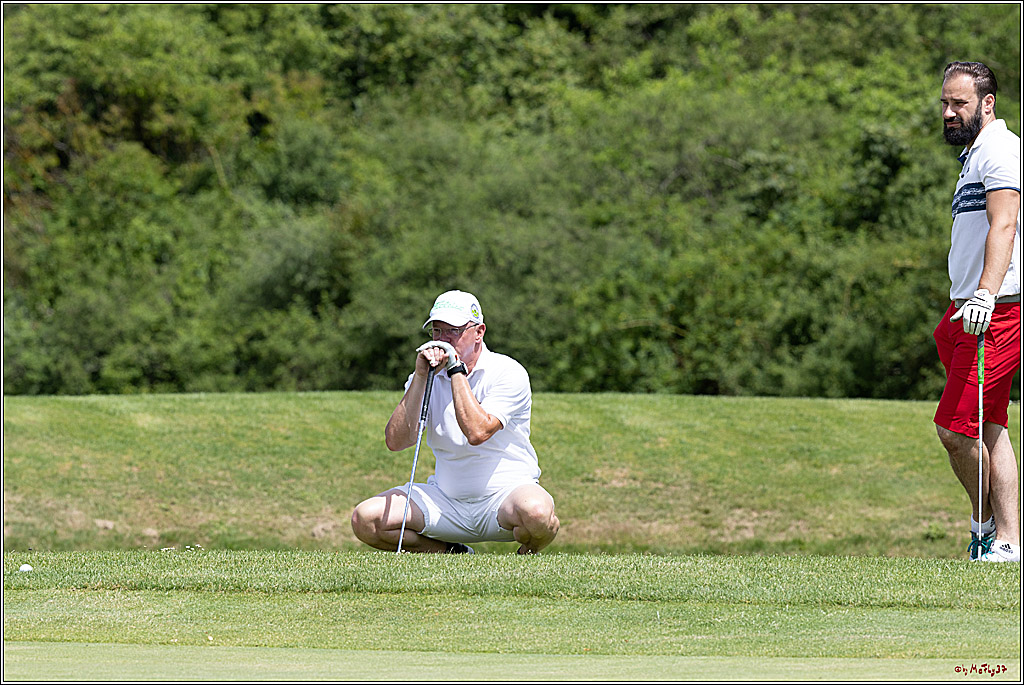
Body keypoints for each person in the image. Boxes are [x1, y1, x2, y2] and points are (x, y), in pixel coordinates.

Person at [351, 289, 559, 554]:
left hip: (505, 498)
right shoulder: (424, 377)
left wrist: (455, 371)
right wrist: (420, 375)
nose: (443, 340)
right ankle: (453, 553)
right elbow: (396, 441)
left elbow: (477, 432)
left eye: (453, 331)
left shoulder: (508, 372)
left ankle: (526, 556)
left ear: (479, 332)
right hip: (445, 501)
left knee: (538, 513)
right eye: (437, 332)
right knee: (365, 519)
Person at [934, 61, 1021, 562]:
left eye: (959, 104)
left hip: (996, 311)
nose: (949, 112)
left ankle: (985, 530)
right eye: (945, 103)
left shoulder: (1002, 150)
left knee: (954, 428)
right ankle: (1010, 544)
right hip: (966, 309)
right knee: (991, 428)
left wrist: (985, 294)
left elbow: (1005, 225)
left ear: (987, 103)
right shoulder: (975, 155)